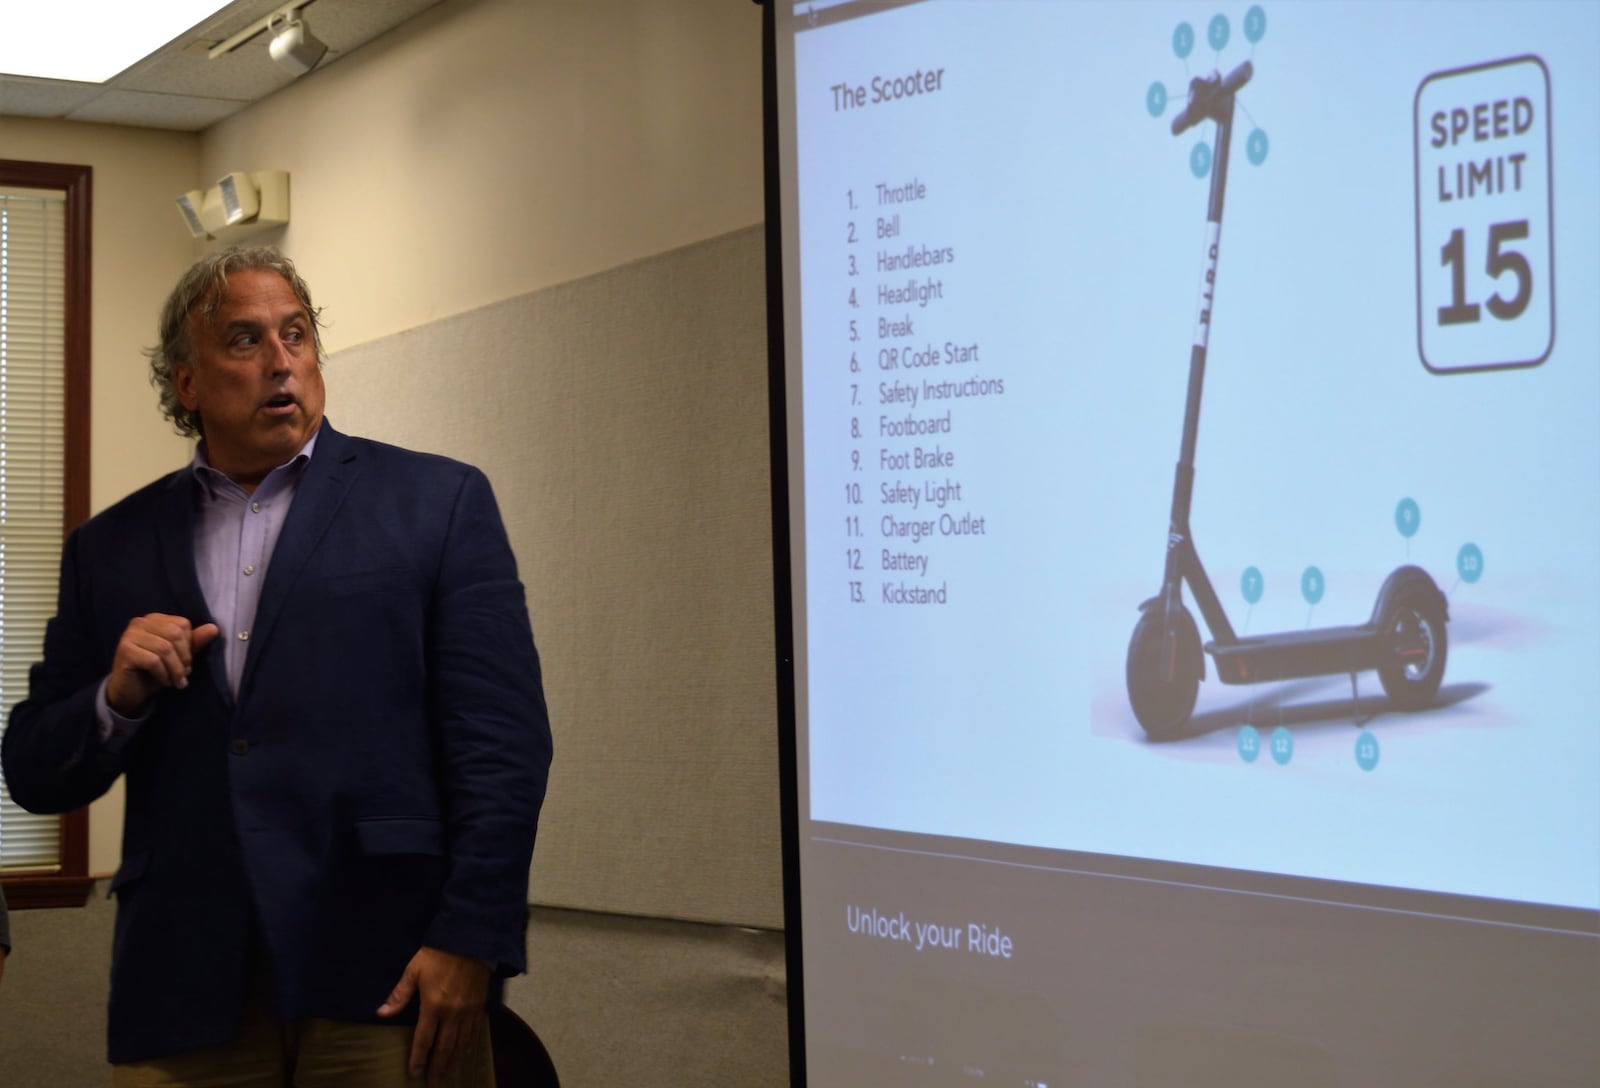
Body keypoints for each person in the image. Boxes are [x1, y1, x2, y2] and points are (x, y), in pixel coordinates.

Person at [1, 247, 552, 1086]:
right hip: (185, 985)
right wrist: (115, 700)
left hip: (387, 973)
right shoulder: (107, 550)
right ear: (187, 384)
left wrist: (472, 939)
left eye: (296, 335)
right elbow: (34, 769)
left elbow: (503, 749)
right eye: (245, 341)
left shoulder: (436, 505)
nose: (281, 360)